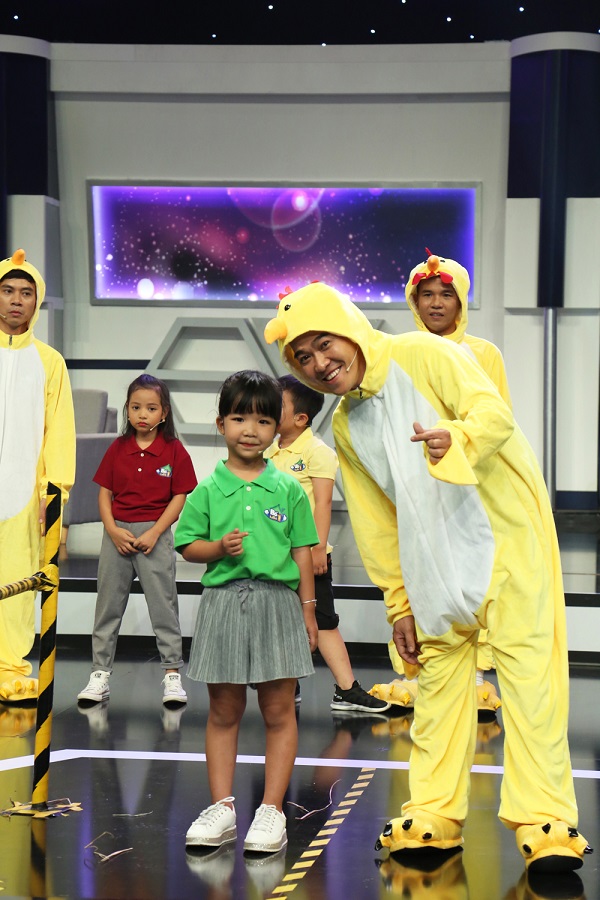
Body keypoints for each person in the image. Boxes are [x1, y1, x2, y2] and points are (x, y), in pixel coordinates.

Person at [263, 268, 592, 873]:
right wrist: (399, 603)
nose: (319, 364)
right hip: (432, 563)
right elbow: (376, 522)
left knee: (531, 688)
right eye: (302, 358)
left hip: (506, 544)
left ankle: (544, 819)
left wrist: (457, 437)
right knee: (438, 692)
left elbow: (493, 413)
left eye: (323, 344)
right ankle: (435, 813)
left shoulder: (424, 353)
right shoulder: (345, 423)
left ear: (348, 329)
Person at [174, 370, 318, 855]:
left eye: (262, 420)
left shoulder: (289, 489)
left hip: (279, 603)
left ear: (277, 427)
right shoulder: (207, 490)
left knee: (279, 711)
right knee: (223, 711)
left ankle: (271, 810)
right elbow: (187, 545)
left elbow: (302, 553)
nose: (250, 430)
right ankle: (222, 808)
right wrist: (218, 547)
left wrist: (309, 612)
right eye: (239, 419)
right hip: (222, 603)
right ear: (221, 425)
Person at [374, 251, 508, 715]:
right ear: (413, 301)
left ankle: (475, 676)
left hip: (472, 482)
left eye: (445, 294)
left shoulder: (483, 354)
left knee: (475, 574)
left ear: (461, 301)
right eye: (426, 294)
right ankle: (422, 672)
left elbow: (499, 419)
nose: (435, 303)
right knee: (419, 570)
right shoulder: (397, 352)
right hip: (417, 482)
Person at [265, 374, 390, 714]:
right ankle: (287, 687)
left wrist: (318, 548)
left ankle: (346, 690)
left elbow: (322, 503)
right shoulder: (268, 452)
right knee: (282, 622)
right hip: (273, 556)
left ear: (300, 418)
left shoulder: (317, 452)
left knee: (323, 621)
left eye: (278, 404)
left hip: (307, 555)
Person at [77, 373, 197, 707]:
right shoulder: (117, 448)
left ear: (164, 412)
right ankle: (99, 674)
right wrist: (113, 530)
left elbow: (179, 497)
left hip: (154, 535)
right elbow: (105, 493)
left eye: (151, 408)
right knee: (107, 607)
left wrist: (155, 532)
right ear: (127, 410)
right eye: (135, 407)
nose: (142, 414)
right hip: (117, 534)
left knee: (163, 607)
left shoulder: (173, 450)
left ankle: (172, 675)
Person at [0, 248, 75, 703]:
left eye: (26, 293)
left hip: (22, 496)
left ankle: (9, 671)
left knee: (15, 586)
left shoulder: (50, 362)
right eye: (8, 290)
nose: (16, 300)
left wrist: (54, 496)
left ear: (37, 301)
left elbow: (59, 434)